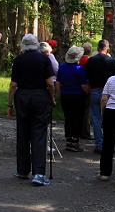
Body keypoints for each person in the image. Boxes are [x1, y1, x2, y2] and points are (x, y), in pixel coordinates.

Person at [8, 34, 56, 186]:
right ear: (36, 44)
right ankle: (39, 173)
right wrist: (52, 98)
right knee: (39, 134)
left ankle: (22, 170)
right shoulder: (44, 59)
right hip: (40, 97)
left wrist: (9, 104)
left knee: (23, 133)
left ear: (23, 45)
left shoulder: (19, 59)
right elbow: (50, 83)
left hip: (22, 97)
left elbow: (13, 84)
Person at [84, 39, 115, 154]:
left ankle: (99, 144)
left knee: (96, 118)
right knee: (109, 119)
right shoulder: (111, 61)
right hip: (108, 93)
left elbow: (86, 76)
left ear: (98, 48)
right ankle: (109, 144)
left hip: (94, 90)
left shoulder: (91, 60)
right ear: (107, 48)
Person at [56, 46, 89, 152]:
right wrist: (89, 92)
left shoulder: (61, 67)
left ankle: (68, 139)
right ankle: (75, 141)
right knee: (77, 118)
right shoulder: (80, 69)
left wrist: (58, 95)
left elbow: (58, 83)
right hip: (77, 96)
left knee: (68, 117)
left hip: (65, 95)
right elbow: (84, 86)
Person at [79, 42, 93, 139]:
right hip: (87, 87)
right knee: (87, 111)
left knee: (81, 110)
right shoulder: (89, 60)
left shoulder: (79, 59)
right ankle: (85, 132)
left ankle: (80, 131)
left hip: (79, 87)